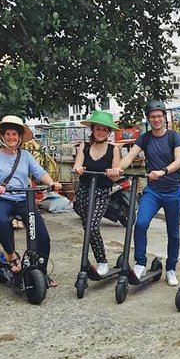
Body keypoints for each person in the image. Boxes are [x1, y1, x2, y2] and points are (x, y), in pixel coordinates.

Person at [106, 100, 180, 286]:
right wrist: (117, 169)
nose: (156, 119)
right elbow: (129, 157)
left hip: (173, 191)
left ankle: (171, 268)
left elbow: (179, 161)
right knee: (140, 224)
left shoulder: (175, 137)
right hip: (153, 191)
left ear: (164, 117)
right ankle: (140, 263)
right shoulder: (145, 138)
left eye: (159, 116)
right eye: (152, 117)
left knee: (173, 232)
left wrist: (162, 171)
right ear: (148, 119)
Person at [0, 115, 62, 286]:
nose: (11, 138)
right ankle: (11, 256)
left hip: (23, 199)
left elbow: (39, 172)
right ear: (2, 136)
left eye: (15, 134)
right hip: (3, 198)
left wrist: (51, 183)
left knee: (42, 235)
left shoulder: (25, 155)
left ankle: (41, 272)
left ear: (20, 137)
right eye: (8, 134)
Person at [72, 110, 121, 276]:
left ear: (108, 132)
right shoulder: (84, 147)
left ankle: (102, 261)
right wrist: (78, 169)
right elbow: (77, 165)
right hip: (85, 190)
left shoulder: (113, 149)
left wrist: (114, 173)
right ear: (92, 129)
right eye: (98, 129)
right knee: (87, 226)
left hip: (101, 191)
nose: (100, 132)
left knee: (92, 225)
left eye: (104, 130)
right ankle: (95, 260)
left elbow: (117, 171)